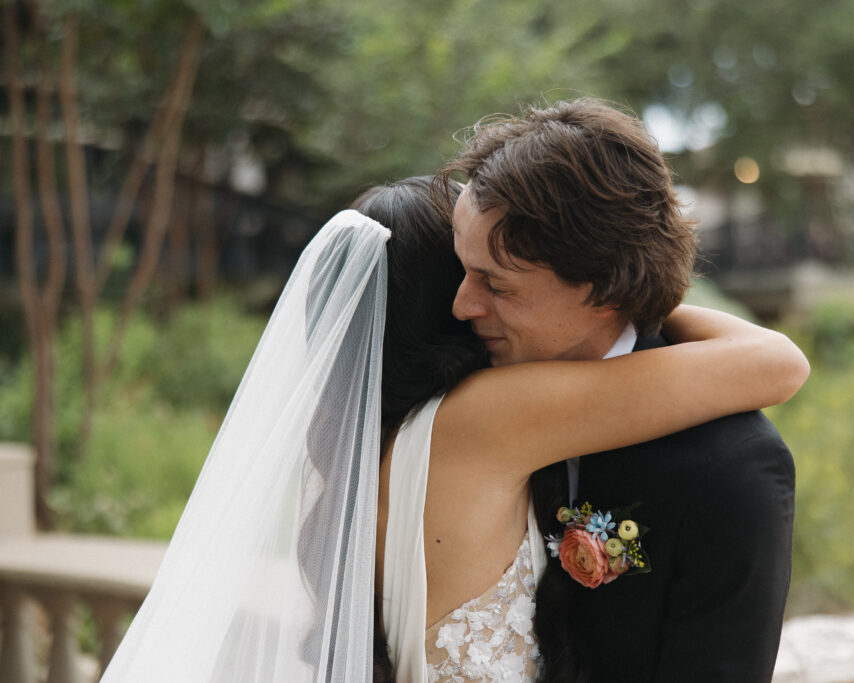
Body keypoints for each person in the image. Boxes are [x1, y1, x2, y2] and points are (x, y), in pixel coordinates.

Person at [100, 175, 806, 683]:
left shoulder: (345, 443)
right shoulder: (485, 420)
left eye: (491, 278)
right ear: (444, 303)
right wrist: (635, 292)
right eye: (469, 276)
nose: (476, 299)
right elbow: (773, 363)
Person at [435, 98, 800, 682]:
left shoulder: (732, 467)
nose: (462, 304)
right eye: (463, 268)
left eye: (495, 285)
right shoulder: (452, 380)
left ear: (604, 287)